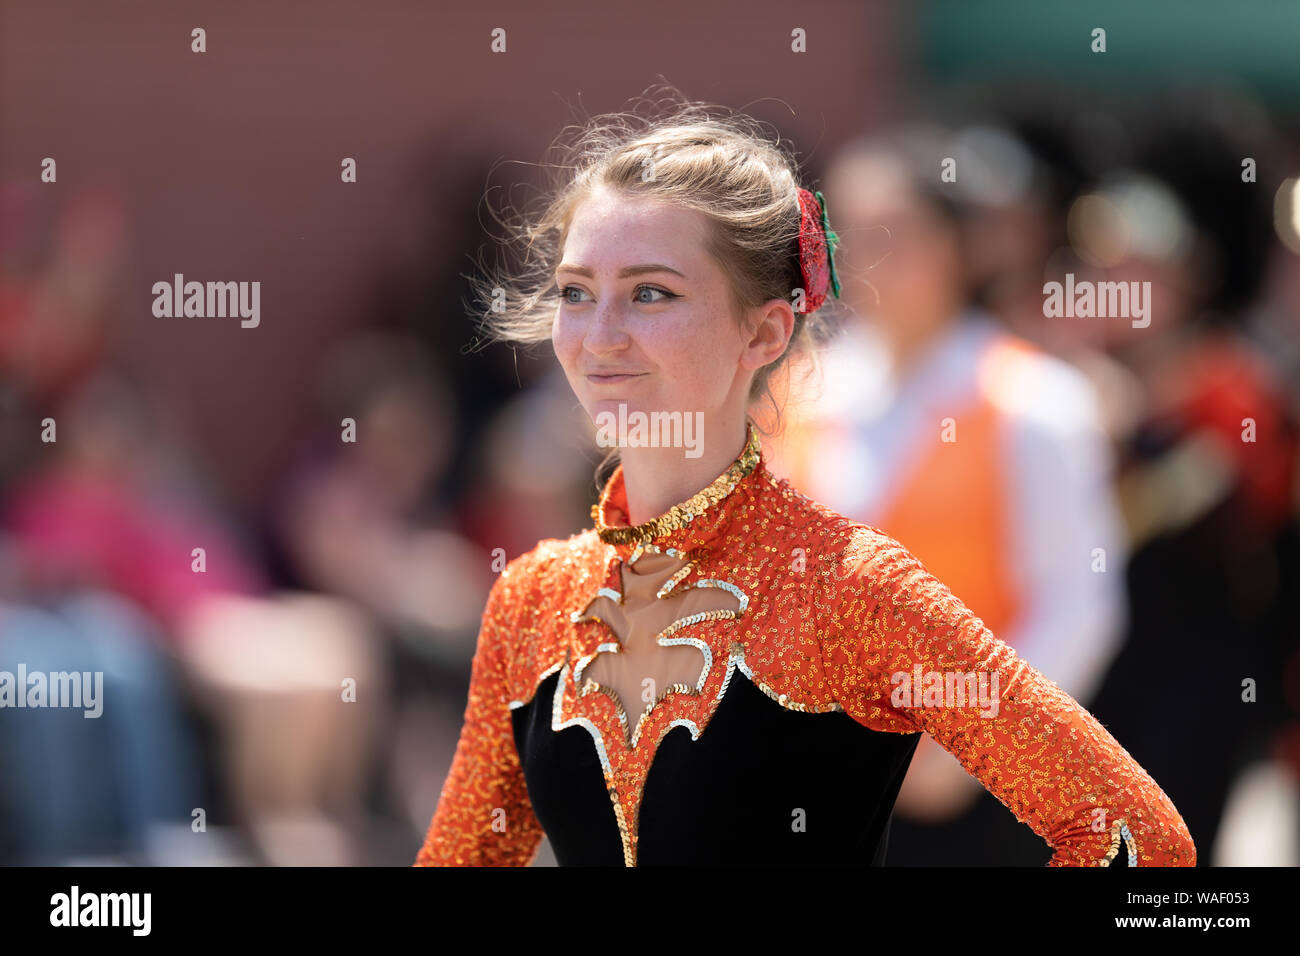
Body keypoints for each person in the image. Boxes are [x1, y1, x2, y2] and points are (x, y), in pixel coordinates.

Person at [413, 90, 1196, 867]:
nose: (601, 335)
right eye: (577, 293)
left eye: (651, 292)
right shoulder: (531, 601)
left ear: (763, 329)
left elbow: (1135, 838)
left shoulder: (854, 587)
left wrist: (952, 754)